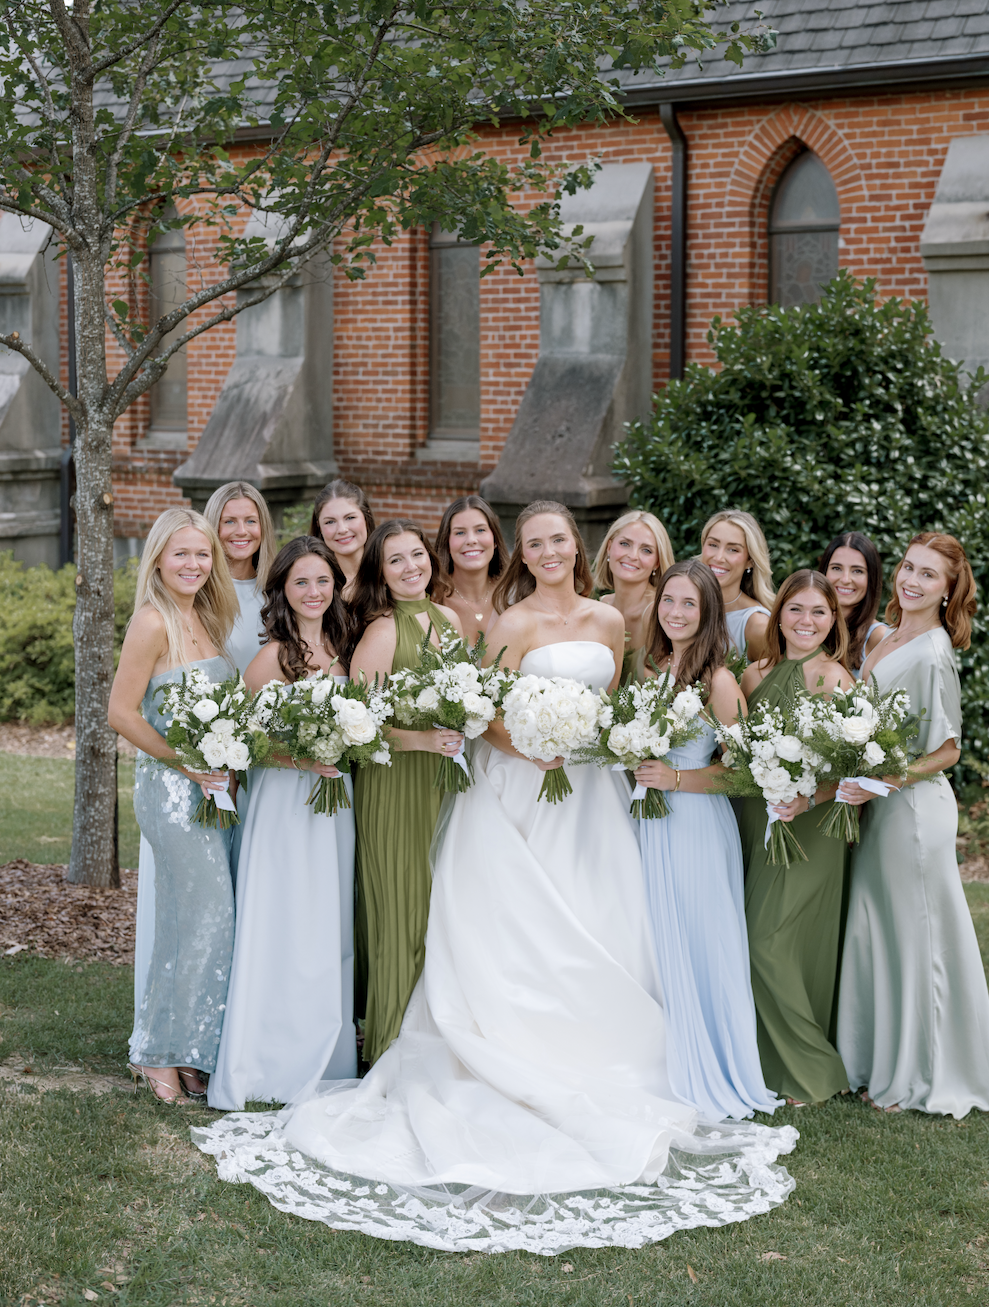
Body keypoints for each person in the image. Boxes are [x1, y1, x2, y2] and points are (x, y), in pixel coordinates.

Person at [192, 501, 797, 1253]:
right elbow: (488, 713)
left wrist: (589, 744)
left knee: (602, 915)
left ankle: (595, 1045)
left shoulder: (612, 623)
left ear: (577, 547)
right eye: (535, 541)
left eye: (557, 540)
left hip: (591, 795)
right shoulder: (506, 624)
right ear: (527, 551)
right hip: (516, 785)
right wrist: (529, 746)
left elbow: (620, 708)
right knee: (503, 920)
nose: (546, 551)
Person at [836, 532, 989, 1118]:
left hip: (913, 813)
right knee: (878, 930)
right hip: (880, 808)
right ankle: (875, 1063)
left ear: (949, 590)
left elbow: (949, 749)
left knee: (918, 939)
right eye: (909, 567)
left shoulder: (933, 650)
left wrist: (883, 780)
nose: (911, 580)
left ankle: (922, 1076)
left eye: (929, 575)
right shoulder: (889, 636)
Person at [207, 537, 357, 1110]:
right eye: (301, 583)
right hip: (284, 806)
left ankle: (328, 1055)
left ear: (335, 587)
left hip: (333, 803)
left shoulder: (344, 648)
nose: (314, 592)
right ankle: (267, 1058)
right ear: (282, 592)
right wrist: (302, 758)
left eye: (323, 581)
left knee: (326, 918)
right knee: (282, 919)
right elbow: (245, 744)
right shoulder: (272, 657)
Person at [632, 559, 780, 1121]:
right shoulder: (653, 670)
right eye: (668, 600)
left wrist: (676, 778)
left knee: (700, 941)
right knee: (656, 943)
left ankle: (714, 1065)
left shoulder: (718, 680)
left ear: (708, 611)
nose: (674, 612)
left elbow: (746, 772)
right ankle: (664, 1060)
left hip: (694, 826)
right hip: (648, 822)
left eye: (688, 603)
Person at [108, 509, 237, 1105]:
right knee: (201, 919)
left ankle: (192, 1052)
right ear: (158, 558)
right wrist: (184, 762)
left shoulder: (207, 619)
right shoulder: (152, 622)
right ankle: (158, 1054)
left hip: (214, 791)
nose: (192, 565)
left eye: (202, 555)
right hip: (170, 792)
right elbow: (122, 712)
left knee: (206, 923)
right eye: (180, 554)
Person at [349, 520, 463, 1065]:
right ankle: (390, 1043)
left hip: (444, 784)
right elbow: (359, 726)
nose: (410, 566)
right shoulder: (382, 631)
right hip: (394, 783)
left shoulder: (451, 619)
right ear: (380, 573)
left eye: (416, 554)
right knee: (401, 904)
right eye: (395, 560)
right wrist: (423, 740)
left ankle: (436, 1031)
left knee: (438, 907)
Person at [739, 570, 855, 1105]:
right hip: (756, 822)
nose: (806, 622)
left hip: (811, 825)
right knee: (757, 940)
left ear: (834, 621)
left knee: (772, 940)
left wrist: (806, 798)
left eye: (819, 613)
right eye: (797, 610)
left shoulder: (837, 679)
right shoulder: (752, 674)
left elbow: (856, 767)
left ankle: (815, 1070)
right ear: (779, 612)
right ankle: (766, 1064)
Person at [203, 482, 278, 674]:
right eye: (229, 521)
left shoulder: (279, 590)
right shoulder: (199, 592)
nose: (242, 531)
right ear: (213, 526)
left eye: (251, 521)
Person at [592, 509, 676, 680]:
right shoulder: (597, 607)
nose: (632, 555)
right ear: (609, 547)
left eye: (646, 550)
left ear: (657, 563)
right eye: (625, 544)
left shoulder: (661, 613)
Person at [699, 510, 776, 662]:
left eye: (733, 549)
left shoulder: (757, 625)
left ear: (750, 561)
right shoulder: (681, 604)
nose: (719, 557)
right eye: (713, 545)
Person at [431, 493, 509, 641]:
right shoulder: (433, 601)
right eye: (460, 532)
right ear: (447, 543)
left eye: (480, 530)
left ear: (495, 540)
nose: (471, 540)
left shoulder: (513, 595)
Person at [817, 530, 889, 678]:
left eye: (857, 571)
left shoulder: (879, 638)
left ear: (871, 579)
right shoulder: (807, 625)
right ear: (824, 572)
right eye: (836, 568)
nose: (845, 579)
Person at [310, 479, 376, 606]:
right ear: (319, 527)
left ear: (366, 518)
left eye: (350, 518)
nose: (342, 529)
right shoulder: (313, 584)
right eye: (330, 522)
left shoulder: (388, 571)